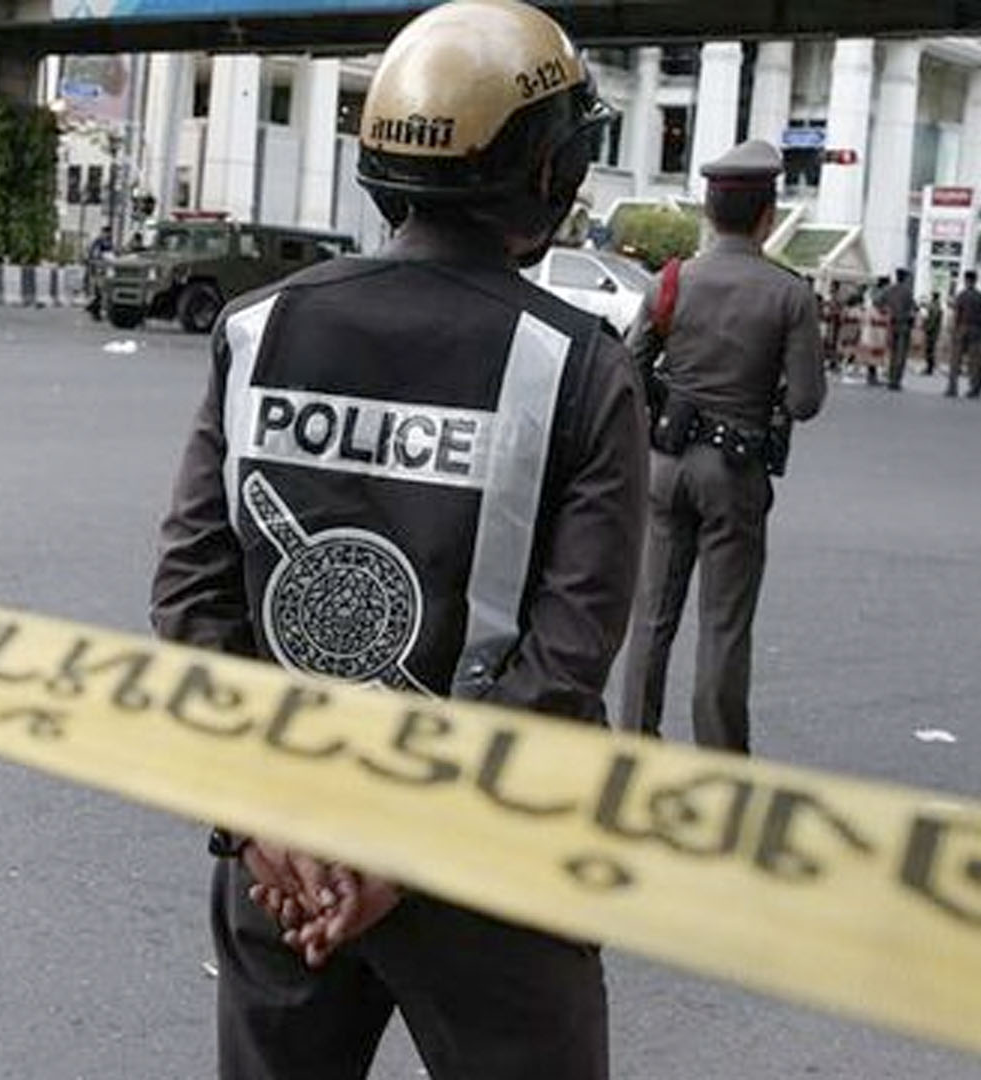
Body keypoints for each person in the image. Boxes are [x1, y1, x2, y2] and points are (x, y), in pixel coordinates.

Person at [149, 2, 645, 1076]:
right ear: (549, 173)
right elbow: (566, 661)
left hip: (284, 856)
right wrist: (403, 853)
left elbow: (192, 601)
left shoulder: (257, 328)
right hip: (492, 868)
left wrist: (256, 821)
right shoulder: (581, 367)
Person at [617, 137, 825, 755]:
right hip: (734, 474)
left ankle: (633, 745)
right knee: (723, 627)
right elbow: (807, 402)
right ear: (769, 214)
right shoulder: (789, 295)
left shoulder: (671, 281)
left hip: (666, 464)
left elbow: (630, 366)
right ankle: (720, 759)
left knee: (651, 617)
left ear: (708, 212)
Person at [946, 268, 981, 398]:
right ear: (975, 280)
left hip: (962, 328)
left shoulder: (961, 296)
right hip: (976, 330)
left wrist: (954, 331)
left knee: (955, 360)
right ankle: (973, 389)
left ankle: (952, 387)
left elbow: (956, 315)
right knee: (974, 362)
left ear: (966, 280)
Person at [882, 267, 917, 390]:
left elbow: (877, 302)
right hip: (904, 325)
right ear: (905, 278)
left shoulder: (889, 290)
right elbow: (914, 309)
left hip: (891, 324)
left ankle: (890, 379)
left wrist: (887, 311)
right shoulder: (908, 292)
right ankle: (896, 380)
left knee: (892, 353)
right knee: (900, 354)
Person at [921, 288, 944, 376]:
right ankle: (929, 367)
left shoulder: (935, 306)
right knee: (930, 349)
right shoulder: (937, 305)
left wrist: (928, 328)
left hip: (932, 331)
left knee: (929, 349)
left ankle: (929, 368)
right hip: (934, 331)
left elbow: (933, 320)